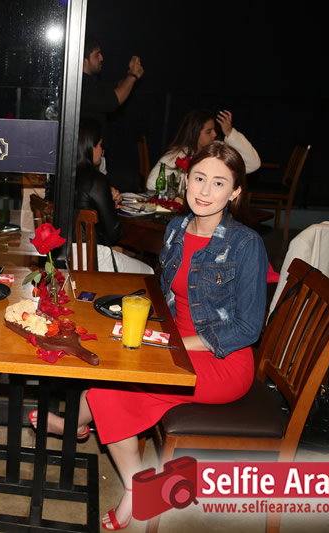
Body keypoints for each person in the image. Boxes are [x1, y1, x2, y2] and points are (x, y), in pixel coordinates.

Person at [38, 142, 268, 530]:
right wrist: (141, 324)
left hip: (223, 361)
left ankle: (99, 448)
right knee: (111, 362)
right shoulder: (177, 228)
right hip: (176, 341)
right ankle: (115, 464)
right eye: (199, 178)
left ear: (235, 192)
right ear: (186, 180)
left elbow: (247, 329)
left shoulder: (246, 244)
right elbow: (164, 295)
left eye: (218, 183)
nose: (205, 191)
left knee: (113, 383)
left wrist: (172, 344)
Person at [74, 119, 153, 274]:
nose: (102, 150)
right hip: (92, 258)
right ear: (89, 147)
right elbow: (114, 233)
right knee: (148, 272)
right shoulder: (96, 180)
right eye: (99, 145)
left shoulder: (60, 177)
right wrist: (110, 204)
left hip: (64, 254)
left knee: (123, 255)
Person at [146, 109, 260, 191]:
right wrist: (188, 185)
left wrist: (230, 133)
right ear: (194, 134)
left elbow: (253, 164)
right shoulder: (180, 153)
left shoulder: (217, 152)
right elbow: (152, 183)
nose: (215, 134)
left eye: (214, 130)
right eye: (208, 131)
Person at [80, 36, 144, 172]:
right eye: (97, 54)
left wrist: (131, 74)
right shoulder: (81, 86)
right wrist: (133, 76)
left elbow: (116, 87)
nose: (102, 58)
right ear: (85, 60)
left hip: (93, 156)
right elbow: (113, 101)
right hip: (85, 158)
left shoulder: (92, 83)